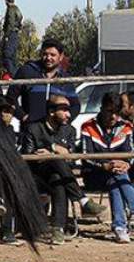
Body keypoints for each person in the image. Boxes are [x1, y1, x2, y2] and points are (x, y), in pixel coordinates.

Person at [21, 95, 106, 246]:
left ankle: (58, 229)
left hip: (58, 175)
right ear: (51, 112)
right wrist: (56, 152)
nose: (69, 114)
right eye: (64, 110)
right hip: (36, 175)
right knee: (56, 161)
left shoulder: (69, 130)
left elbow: (71, 157)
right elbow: (29, 157)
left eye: (69, 110)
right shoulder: (34, 128)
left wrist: (51, 150)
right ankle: (82, 200)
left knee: (57, 180)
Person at [80, 93, 134, 243]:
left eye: (117, 112)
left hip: (119, 174)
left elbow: (130, 153)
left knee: (115, 180)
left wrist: (126, 163)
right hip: (95, 174)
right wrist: (104, 165)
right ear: (102, 108)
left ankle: (119, 227)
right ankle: (123, 222)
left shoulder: (126, 127)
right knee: (116, 177)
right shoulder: (88, 127)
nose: (113, 117)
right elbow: (86, 157)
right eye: (110, 111)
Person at [6, 39, 80, 127]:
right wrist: (23, 116)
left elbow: (75, 105)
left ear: (61, 56)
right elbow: (10, 98)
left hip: (56, 133)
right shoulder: (27, 71)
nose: (48, 58)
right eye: (45, 54)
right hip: (31, 131)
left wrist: (65, 122)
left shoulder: (65, 79)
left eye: (52, 55)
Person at [0, 99, 20, 244]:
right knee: (7, 182)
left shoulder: (11, 131)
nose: (6, 115)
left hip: (8, 171)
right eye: (3, 111)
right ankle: (7, 232)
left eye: (9, 112)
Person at [2, 0, 23, 78]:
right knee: (14, 56)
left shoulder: (10, 9)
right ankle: (17, 74)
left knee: (7, 55)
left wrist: (6, 35)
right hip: (16, 33)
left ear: (6, 1)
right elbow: (20, 17)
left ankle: (13, 74)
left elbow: (10, 22)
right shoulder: (17, 8)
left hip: (10, 33)